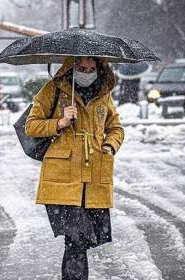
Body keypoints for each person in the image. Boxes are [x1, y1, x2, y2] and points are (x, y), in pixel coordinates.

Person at [24, 56, 125, 279]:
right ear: (71, 67)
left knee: (81, 241)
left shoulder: (103, 94)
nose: (86, 72)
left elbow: (116, 128)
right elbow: (31, 126)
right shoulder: (54, 89)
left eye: (91, 68)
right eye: (81, 68)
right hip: (62, 180)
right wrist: (59, 122)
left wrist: (109, 146)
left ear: (99, 69)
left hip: (93, 180)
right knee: (77, 238)